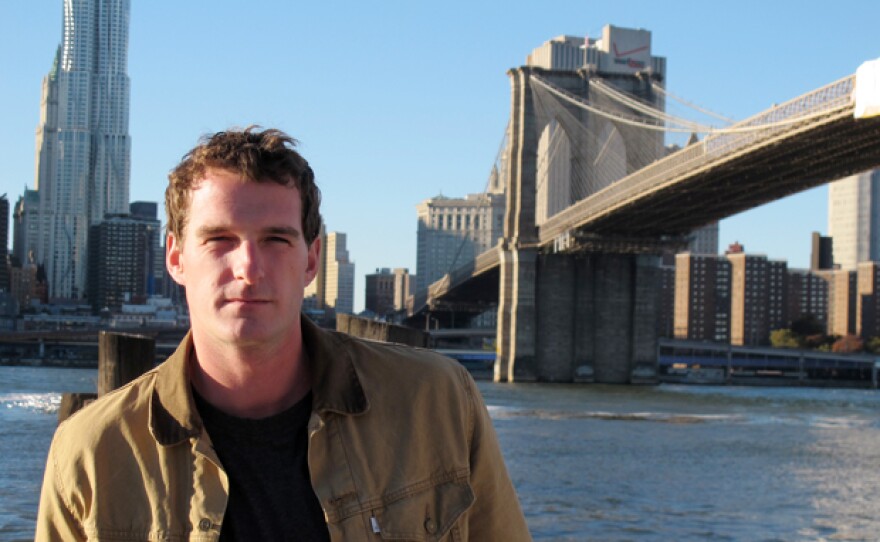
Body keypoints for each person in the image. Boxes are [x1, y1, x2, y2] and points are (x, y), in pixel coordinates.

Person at [35, 127, 531, 541]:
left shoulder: (438, 403)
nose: (249, 268)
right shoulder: (90, 455)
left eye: (275, 239)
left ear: (311, 259)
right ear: (176, 258)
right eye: (219, 240)